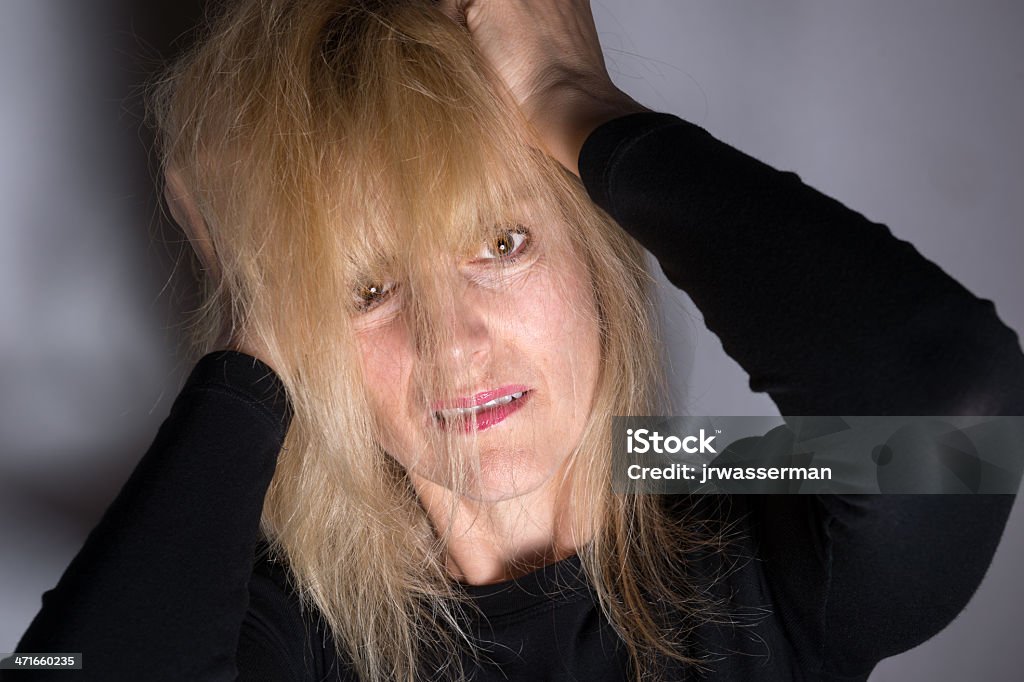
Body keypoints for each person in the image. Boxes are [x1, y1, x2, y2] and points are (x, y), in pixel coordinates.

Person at [8, 0, 1023, 680]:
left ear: (599, 248)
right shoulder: (289, 619)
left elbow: (958, 414)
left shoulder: (701, 483)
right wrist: (262, 299)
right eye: (367, 289)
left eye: (501, 241)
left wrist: (570, 103)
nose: (453, 348)